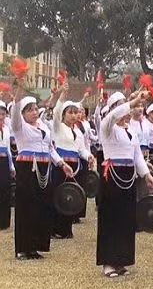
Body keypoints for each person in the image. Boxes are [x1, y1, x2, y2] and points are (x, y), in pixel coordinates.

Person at [11, 77, 73, 260]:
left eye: (35, 109)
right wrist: (19, 91)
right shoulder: (19, 127)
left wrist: (62, 163)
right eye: (29, 110)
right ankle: (23, 248)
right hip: (27, 169)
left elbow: (50, 149)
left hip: (44, 169)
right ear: (23, 114)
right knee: (26, 207)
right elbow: (14, 111)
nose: (34, 112)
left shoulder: (44, 127)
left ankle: (36, 246)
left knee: (41, 208)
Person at [97, 90, 153, 277]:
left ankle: (121, 260)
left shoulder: (130, 129)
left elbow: (137, 154)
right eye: (121, 105)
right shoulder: (107, 126)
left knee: (126, 218)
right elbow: (113, 115)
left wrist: (145, 174)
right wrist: (131, 102)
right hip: (112, 176)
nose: (126, 110)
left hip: (129, 175)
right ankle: (108, 262)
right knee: (111, 218)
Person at [51, 82, 93, 239]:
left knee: (71, 197)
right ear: (64, 114)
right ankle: (55, 228)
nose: (73, 115)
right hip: (61, 166)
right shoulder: (57, 127)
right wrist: (62, 96)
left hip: (75, 166)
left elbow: (81, 149)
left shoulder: (78, 131)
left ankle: (67, 228)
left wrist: (88, 156)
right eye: (70, 112)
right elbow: (55, 113)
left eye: (76, 112)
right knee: (59, 196)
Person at [0, 101, 15, 230]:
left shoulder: (6, 129)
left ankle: (4, 221)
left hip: (4, 162)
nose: (1, 116)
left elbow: (8, 149)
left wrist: (11, 167)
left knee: (5, 190)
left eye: (3, 114)